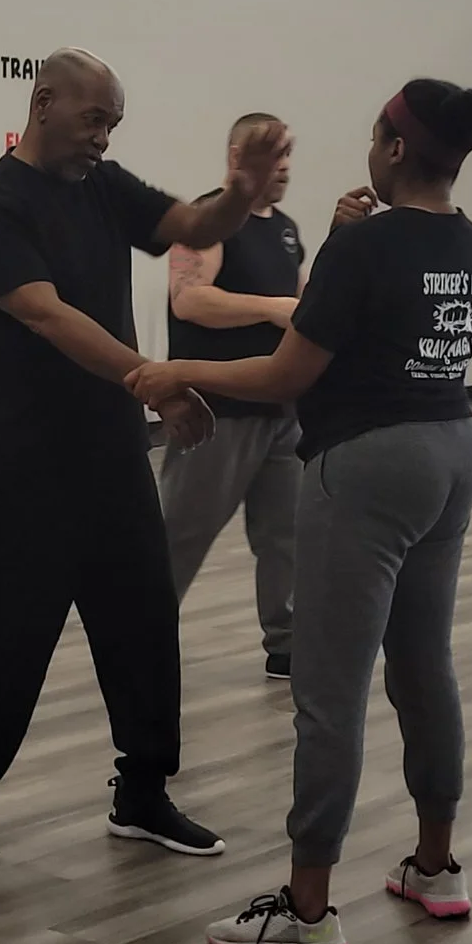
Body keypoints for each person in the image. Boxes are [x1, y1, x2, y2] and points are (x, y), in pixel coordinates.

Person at [129, 77, 472, 944]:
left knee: (328, 693)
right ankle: (435, 867)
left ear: (396, 148)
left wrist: (177, 373)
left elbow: (286, 375)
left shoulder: (365, 245)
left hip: (368, 466)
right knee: (425, 667)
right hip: (453, 451)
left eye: (374, 135)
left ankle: (307, 909)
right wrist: (339, 243)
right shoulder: (468, 238)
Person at [0, 48, 294, 870]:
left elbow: (194, 228)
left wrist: (241, 193)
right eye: (94, 120)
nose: (103, 138)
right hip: (23, 461)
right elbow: (47, 315)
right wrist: (152, 381)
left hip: (112, 454)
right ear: (44, 101)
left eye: (113, 124)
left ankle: (142, 793)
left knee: (143, 624)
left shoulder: (104, 187)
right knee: (3, 635)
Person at [161, 112, 307, 679]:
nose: (284, 168)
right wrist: (271, 309)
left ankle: (288, 645)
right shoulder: (206, 220)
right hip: (216, 413)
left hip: (282, 411)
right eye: (273, 156)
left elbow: (303, 309)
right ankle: (142, 629)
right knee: (180, 534)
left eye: (289, 155)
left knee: (287, 535)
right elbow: (189, 299)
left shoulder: (287, 230)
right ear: (237, 158)